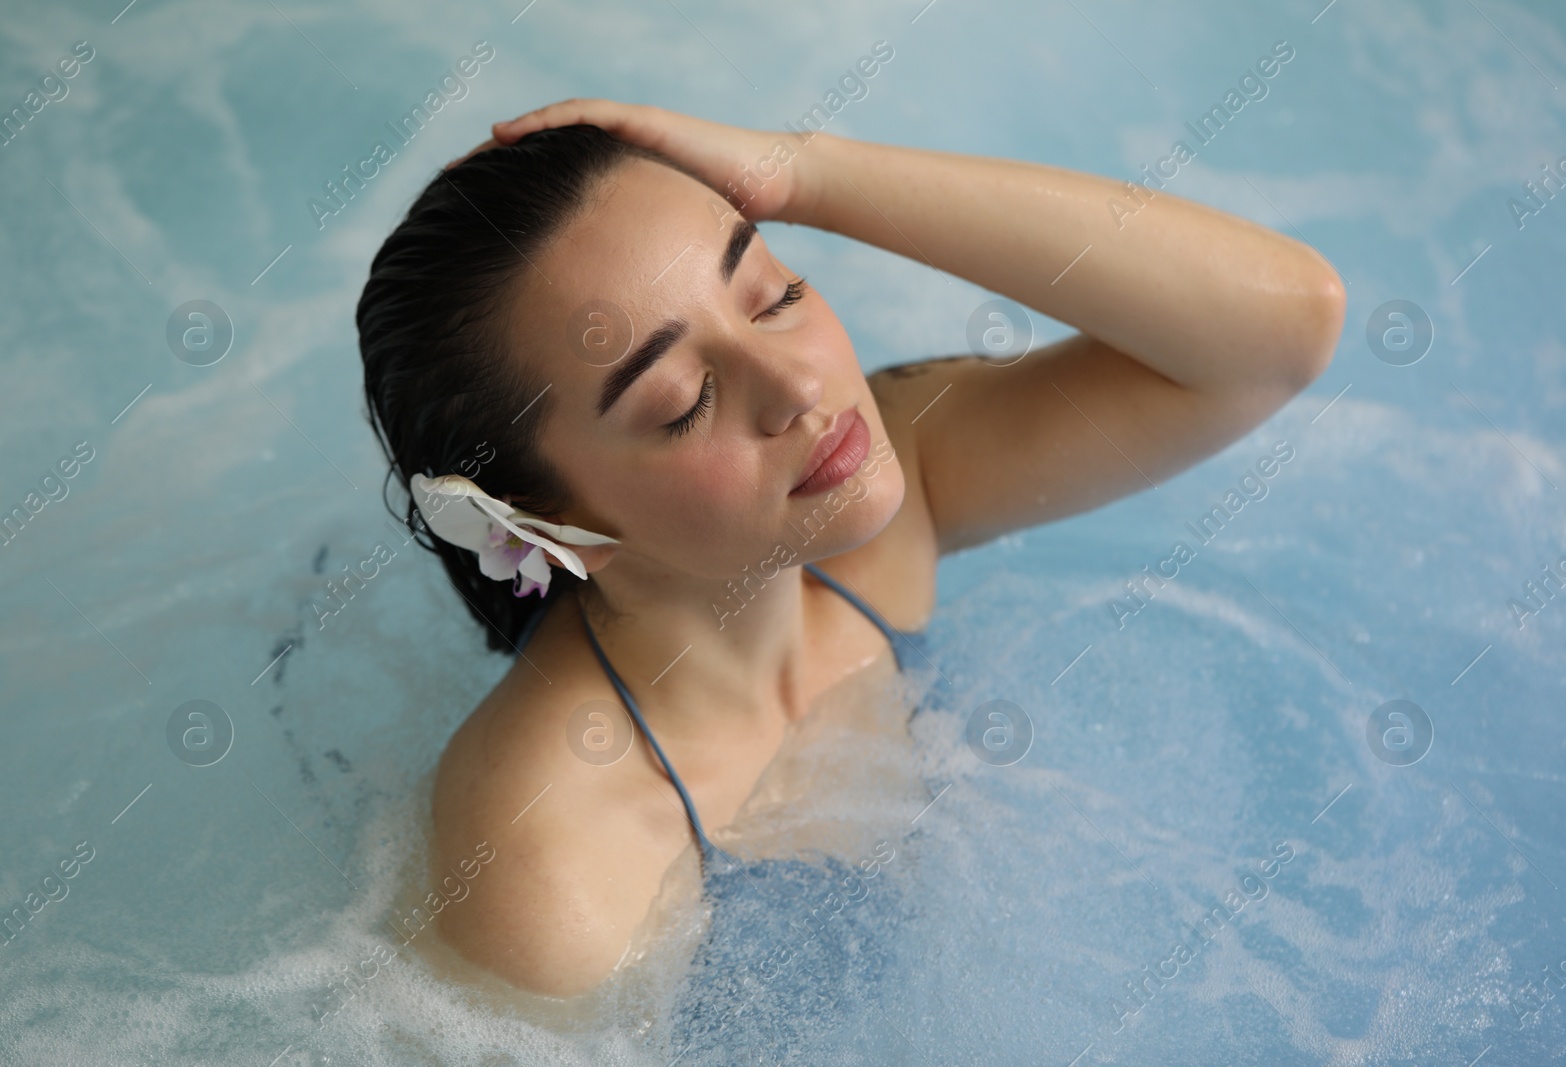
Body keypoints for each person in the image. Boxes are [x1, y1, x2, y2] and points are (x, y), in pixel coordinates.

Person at [355, 99, 1345, 999]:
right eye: (678, 401)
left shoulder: (882, 500)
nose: (796, 384)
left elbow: (1278, 332)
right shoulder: (554, 866)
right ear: (549, 526)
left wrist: (806, 176)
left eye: (771, 291)